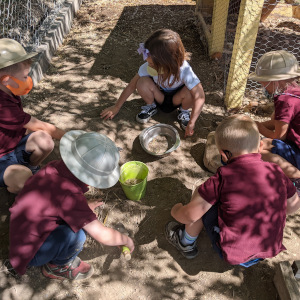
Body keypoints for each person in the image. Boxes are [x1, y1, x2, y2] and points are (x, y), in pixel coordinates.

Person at [165, 115, 300, 267]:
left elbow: (189, 216)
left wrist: (175, 210)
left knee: (201, 195)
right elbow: (293, 207)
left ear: (223, 154)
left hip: (235, 254)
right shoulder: (276, 172)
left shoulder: (222, 178)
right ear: (261, 146)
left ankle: (185, 241)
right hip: (269, 248)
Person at [8, 130, 134, 280]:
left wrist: (83, 207)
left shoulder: (53, 167)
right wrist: (125, 240)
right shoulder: (70, 196)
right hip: (31, 254)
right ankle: (57, 267)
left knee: (74, 228)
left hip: (20, 234)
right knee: (77, 235)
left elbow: (56, 202)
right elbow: (101, 234)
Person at [100, 29, 205, 137]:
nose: (149, 65)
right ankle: (151, 106)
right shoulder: (149, 66)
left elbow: (200, 97)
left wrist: (192, 122)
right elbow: (131, 86)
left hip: (177, 99)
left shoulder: (184, 70)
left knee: (191, 90)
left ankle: (183, 111)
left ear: (167, 62)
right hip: (159, 97)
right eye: (148, 62)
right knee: (141, 82)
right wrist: (116, 107)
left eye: (152, 64)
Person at [0, 38, 65, 194]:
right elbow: (38, 125)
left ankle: (30, 167)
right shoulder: (2, 106)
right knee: (24, 179)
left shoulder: (8, 91)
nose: (28, 80)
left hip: (12, 145)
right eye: (24, 77)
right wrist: (71, 138)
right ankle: (25, 196)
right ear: (6, 79)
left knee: (44, 140)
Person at [248, 50, 300, 189]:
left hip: (297, 151)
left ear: (276, 80)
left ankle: (296, 177)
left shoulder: (285, 100)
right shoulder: (295, 92)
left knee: (259, 151)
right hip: (295, 144)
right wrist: (255, 125)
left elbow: (279, 137)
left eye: (263, 81)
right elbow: (279, 122)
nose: (260, 83)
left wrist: (259, 127)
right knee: (263, 143)